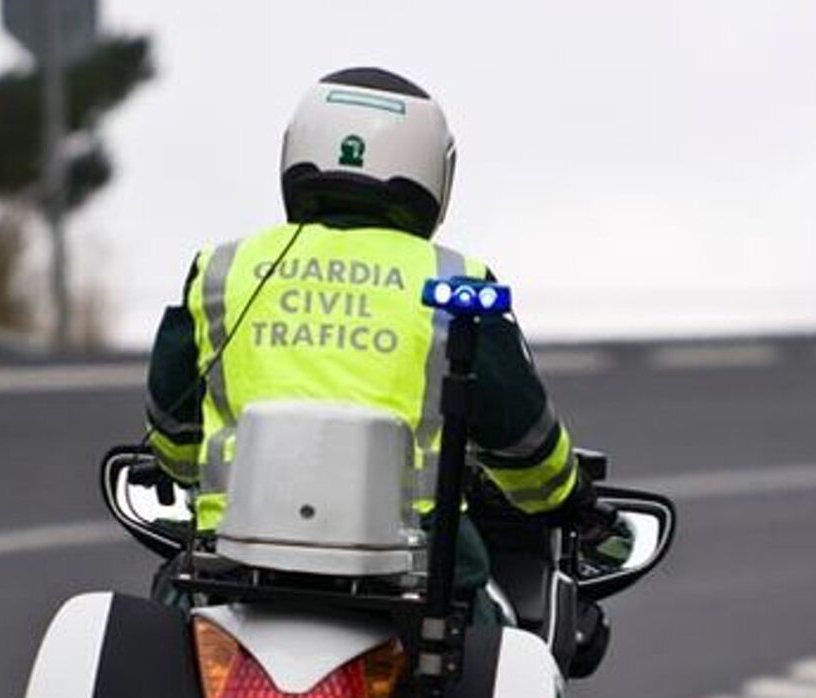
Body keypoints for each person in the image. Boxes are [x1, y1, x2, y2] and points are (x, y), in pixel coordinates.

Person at [142, 67, 619, 618]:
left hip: (228, 560)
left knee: (166, 622)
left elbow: (172, 422)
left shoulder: (223, 269)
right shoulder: (457, 279)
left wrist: (179, 468)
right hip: (415, 571)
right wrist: (566, 497)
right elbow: (522, 434)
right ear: (434, 172)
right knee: (503, 649)